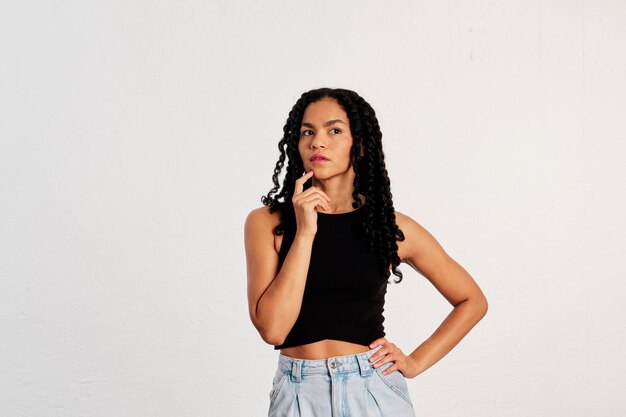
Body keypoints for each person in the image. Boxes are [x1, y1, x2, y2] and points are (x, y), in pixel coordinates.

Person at [244, 87, 488, 416]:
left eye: (334, 130)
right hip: (298, 393)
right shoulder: (267, 223)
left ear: (358, 143)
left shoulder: (391, 227)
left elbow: (472, 300)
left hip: (372, 390)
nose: (318, 142)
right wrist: (305, 233)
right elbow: (273, 329)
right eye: (308, 132)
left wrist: (415, 361)